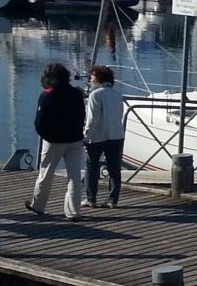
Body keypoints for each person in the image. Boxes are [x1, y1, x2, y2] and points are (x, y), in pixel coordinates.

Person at [28, 62, 87, 220]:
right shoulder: (76, 93)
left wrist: (47, 135)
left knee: (46, 174)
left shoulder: (47, 95)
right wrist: (78, 131)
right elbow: (82, 115)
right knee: (74, 177)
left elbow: (39, 123)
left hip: (54, 140)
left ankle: (38, 205)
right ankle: (73, 211)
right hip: (75, 139)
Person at [84, 65, 125, 208]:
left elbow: (92, 120)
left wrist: (86, 137)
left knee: (91, 166)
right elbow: (120, 114)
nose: (90, 80)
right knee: (115, 168)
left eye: (92, 77)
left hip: (97, 136)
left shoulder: (95, 95)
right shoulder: (117, 94)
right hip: (116, 135)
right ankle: (113, 200)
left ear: (99, 79)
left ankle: (91, 198)